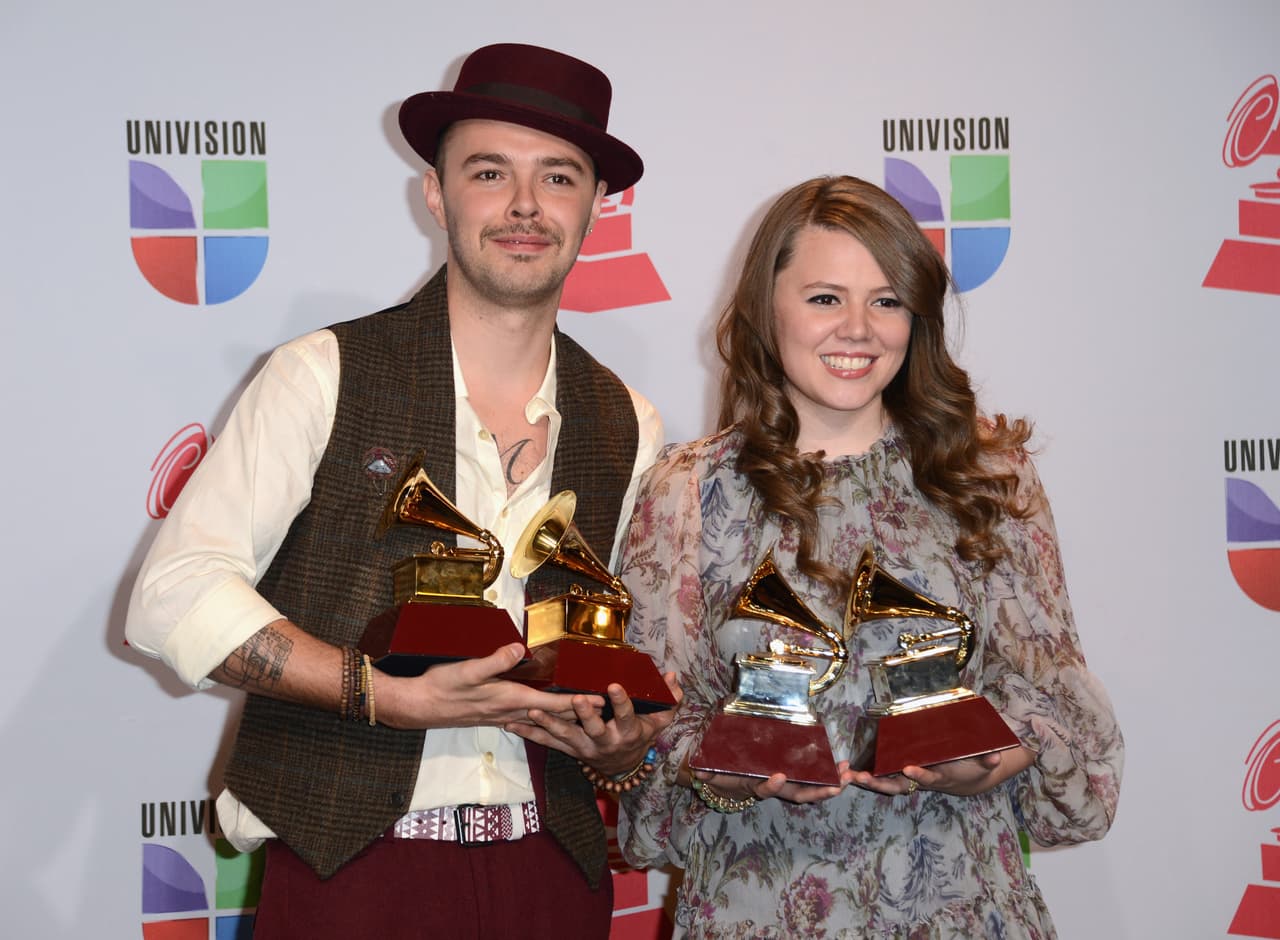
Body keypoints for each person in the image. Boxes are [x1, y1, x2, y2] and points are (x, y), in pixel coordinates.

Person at [125, 43, 676, 939]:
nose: (526, 206)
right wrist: (380, 693)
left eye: (560, 177)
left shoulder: (630, 421)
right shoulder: (322, 373)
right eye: (490, 172)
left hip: (555, 878)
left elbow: (629, 656)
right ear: (436, 192)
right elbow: (173, 594)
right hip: (351, 878)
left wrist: (622, 742)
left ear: (597, 207)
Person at [616, 176, 1123, 938]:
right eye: (825, 298)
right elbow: (646, 747)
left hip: (962, 905)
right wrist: (718, 770)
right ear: (766, 307)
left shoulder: (988, 479)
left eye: (886, 301)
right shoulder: (688, 492)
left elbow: (1065, 715)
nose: (857, 328)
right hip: (757, 910)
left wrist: (1000, 755)